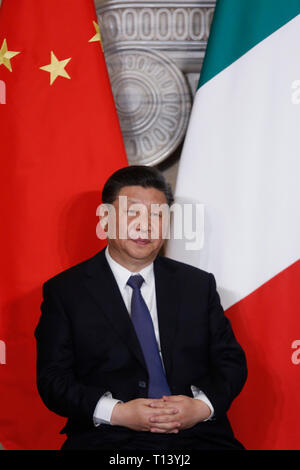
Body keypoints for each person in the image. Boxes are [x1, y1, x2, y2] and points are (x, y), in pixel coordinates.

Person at [35, 165, 247, 451]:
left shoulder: (197, 285)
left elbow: (231, 363)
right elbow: (53, 381)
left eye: (157, 215)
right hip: (108, 437)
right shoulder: (66, 292)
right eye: (132, 212)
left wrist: (200, 408)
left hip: (196, 436)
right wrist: (118, 412)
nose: (145, 225)